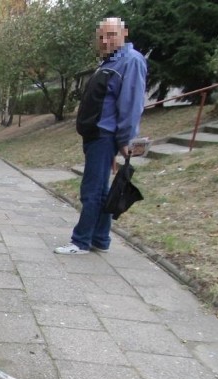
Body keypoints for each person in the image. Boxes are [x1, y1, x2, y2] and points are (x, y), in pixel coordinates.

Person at [55, 17, 147, 255]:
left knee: (92, 190)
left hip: (105, 135)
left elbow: (131, 104)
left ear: (124, 33)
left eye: (111, 35)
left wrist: (124, 140)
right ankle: (100, 239)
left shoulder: (131, 61)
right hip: (97, 135)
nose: (105, 41)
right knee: (101, 190)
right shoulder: (111, 62)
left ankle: (81, 241)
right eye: (102, 37)